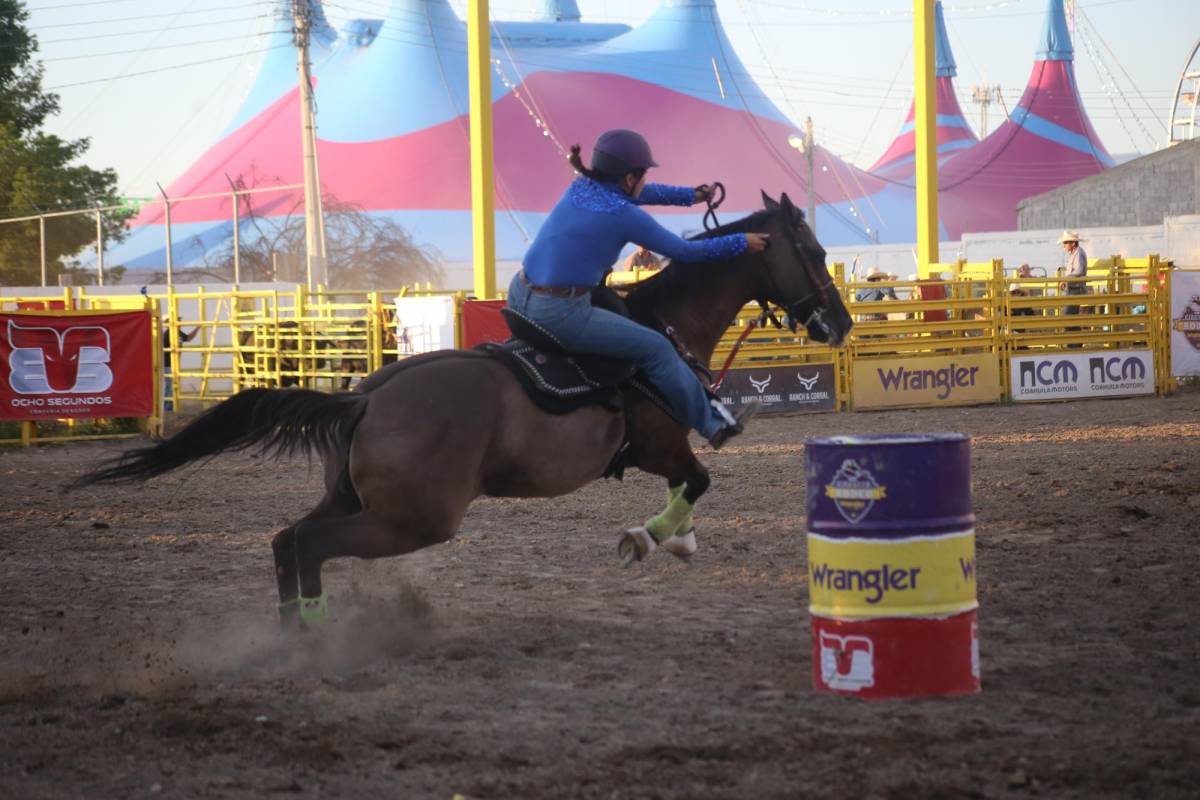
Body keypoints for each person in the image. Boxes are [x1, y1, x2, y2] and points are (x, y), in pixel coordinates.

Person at [505, 129, 769, 449]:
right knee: (656, 348)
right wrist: (742, 242)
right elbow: (684, 252)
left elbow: (645, 193)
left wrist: (691, 196)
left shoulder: (582, 187)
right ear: (629, 178)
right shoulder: (624, 215)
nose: (644, 182)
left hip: (519, 294)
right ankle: (714, 424)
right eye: (642, 175)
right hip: (559, 311)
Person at [1057, 230, 1087, 345]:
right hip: (1073, 289)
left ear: (1073, 243)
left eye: (1065, 243)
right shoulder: (1076, 253)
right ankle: (1074, 343)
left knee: (1068, 316)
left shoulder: (1078, 254)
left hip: (1076, 290)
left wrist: (1066, 279)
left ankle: (1075, 343)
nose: (1064, 245)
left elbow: (1079, 271)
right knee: (1070, 317)